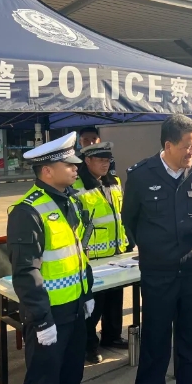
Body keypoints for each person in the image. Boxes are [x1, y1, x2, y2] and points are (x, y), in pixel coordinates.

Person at [122, 114, 192, 384]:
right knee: (156, 339)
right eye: (188, 145)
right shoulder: (141, 175)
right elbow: (129, 220)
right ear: (168, 145)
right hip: (158, 273)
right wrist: (153, 249)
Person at [7, 132, 95, 384]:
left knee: (71, 377)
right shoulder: (27, 211)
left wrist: (87, 292)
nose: (75, 168)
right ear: (47, 170)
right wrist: (42, 319)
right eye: (68, 164)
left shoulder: (70, 201)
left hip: (74, 308)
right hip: (49, 314)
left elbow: (79, 253)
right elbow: (25, 272)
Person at [72, 141, 131, 364]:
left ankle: (112, 336)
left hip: (116, 252)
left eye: (108, 160)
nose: (105, 164)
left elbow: (120, 214)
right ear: (87, 161)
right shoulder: (76, 185)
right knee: (92, 305)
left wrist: (128, 241)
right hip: (92, 256)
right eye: (101, 160)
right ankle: (89, 345)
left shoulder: (113, 182)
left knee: (115, 300)